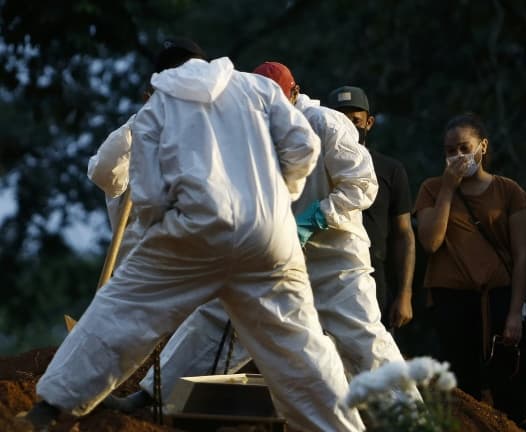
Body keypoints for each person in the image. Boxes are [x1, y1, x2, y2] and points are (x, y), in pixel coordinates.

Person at [19, 38, 365, 432]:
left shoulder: (157, 108)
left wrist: (165, 230)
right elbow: (303, 147)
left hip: (193, 229)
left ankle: (47, 411)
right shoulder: (259, 89)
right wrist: (277, 196)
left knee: (120, 309)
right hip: (271, 235)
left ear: (162, 75)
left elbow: (147, 195)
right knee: (301, 347)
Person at [104, 61, 410, 414]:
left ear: (294, 93)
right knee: (218, 315)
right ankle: (150, 399)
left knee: (361, 335)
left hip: (334, 259)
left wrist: (315, 218)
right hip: (274, 253)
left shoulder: (327, 124)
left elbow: (362, 184)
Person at [413, 112, 526, 431]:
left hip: (498, 295)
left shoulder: (508, 191)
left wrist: (513, 313)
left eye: (464, 147)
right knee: (461, 382)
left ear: (482, 147)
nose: (456, 156)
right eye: (450, 150)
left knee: (506, 377)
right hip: (451, 299)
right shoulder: (431, 188)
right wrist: (448, 190)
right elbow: (430, 242)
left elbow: (522, 254)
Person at [327, 85, 415, 330]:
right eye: (341, 120)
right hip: (327, 274)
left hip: (373, 278)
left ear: (369, 123)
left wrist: (404, 294)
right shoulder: (314, 168)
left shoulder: (390, 170)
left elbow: (404, 234)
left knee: (374, 359)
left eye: (355, 120)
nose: (349, 126)